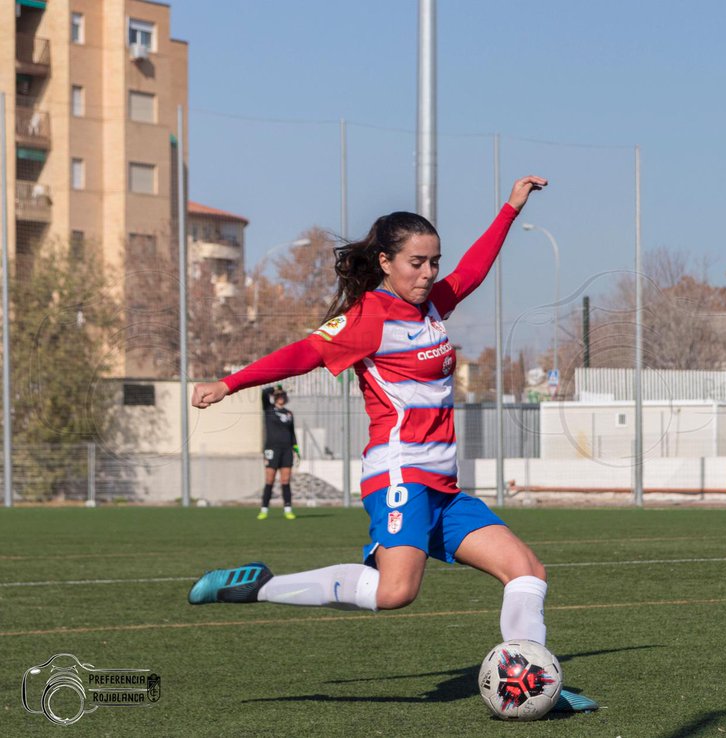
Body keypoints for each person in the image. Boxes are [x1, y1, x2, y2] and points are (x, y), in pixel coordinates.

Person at [186, 176, 595, 713]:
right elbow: (303, 353)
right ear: (385, 262)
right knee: (394, 592)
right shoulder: (367, 318)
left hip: (443, 487)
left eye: (433, 262)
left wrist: (510, 209)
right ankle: (257, 585)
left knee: (527, 573)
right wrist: (229, 383)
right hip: (401, 476)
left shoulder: (430, 308)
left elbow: (472, 270)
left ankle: (533, 677)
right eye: (416, 263)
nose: (429, 274)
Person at [259, 385, 299, 520]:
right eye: (278, 396)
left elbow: (292, 433)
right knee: (269, 479)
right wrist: (274, 388)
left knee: (285, 480)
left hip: (287, 449)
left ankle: (288, 509)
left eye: (282, 396)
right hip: (272, 448)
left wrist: (296, 449)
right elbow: (264, 393)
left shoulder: (289, 413)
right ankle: (264, 509)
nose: (280, 398)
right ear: (275, 397)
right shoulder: (268, 409)